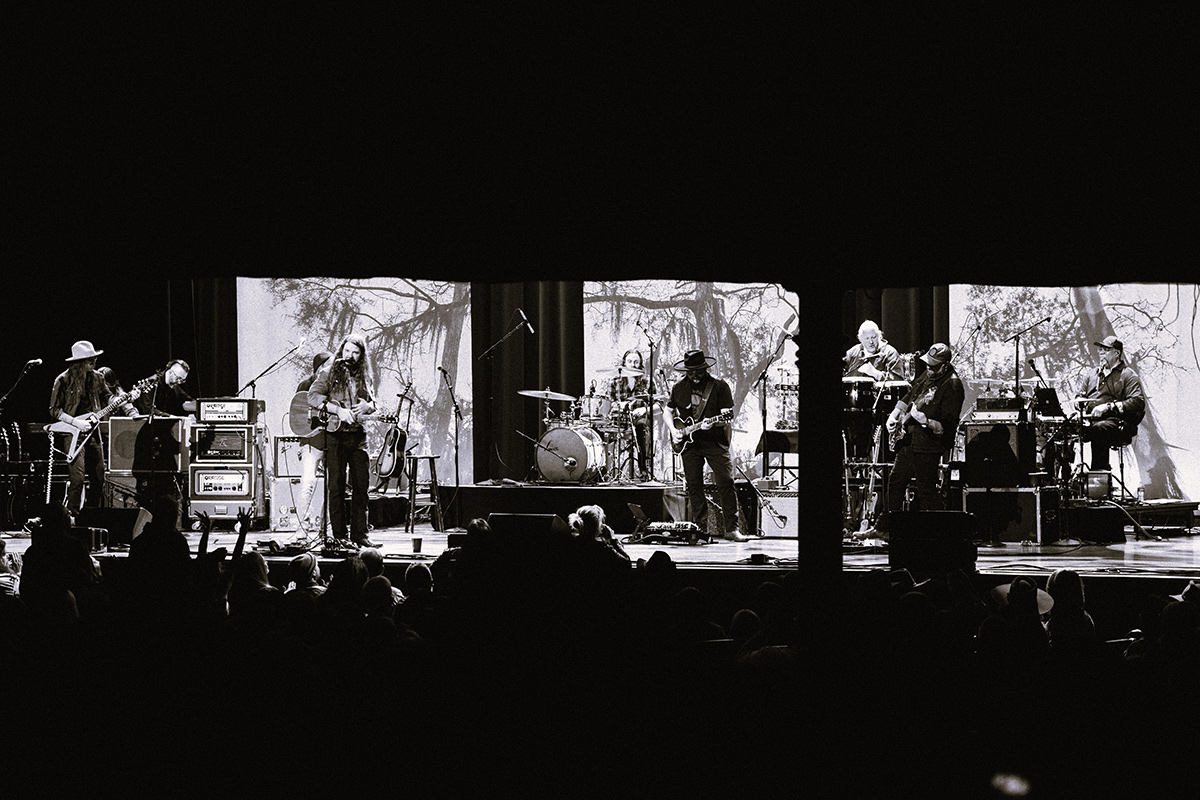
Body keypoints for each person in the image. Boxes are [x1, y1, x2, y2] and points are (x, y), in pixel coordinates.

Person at [48, 340, 139, 519]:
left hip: (93, 432)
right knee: (78, 479)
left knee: (99, 478)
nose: (94, 363)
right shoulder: (63, 380)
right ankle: (73, 516)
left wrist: (124, 399)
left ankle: (90, 514)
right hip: (73, 433)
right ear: (79, 362)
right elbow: (54, 410)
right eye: (90, 360)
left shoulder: (97, 377)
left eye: (94, 359)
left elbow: (108, 397)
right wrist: (76, 423)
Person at [666, 349, 746, 541]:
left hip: (715, 442)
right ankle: (701, 528)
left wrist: (714, 422)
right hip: (689, 444)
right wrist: (674, 430)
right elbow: (667, 412)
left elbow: (727, 415)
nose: (694, 376)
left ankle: (731, 529)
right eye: (690, 372)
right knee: (694, 485)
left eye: (698, 371)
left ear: (705, 368)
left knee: (726, 481)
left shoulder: (719, 386)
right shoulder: (678, 387)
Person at [881, 343, 966, 521]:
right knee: (895, 482)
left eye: (933, 366)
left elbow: (947, 426)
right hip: (909, 439)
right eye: (928, 364)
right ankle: (886, 527)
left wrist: (925, 421)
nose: (928, 369)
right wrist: (894, 414)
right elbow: (910, 394)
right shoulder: (928, 375)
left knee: (926, 489)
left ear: (944, 365)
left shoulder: (952, 385)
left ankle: (939, 531)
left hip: (929, 444)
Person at [308, 334, 378, 548]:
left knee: (361, 487)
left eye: (355, 352)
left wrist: (369, 406)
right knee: (336, 487)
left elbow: (374, 402)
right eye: (347, 351)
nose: (350, 356)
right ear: (341, 351)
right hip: (335, 436)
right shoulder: (328, 372)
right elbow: (312, 396)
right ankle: (339, 537)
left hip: (358, 436)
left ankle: (360, 535)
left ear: (361, 355)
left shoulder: (365, 375)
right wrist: (338, 410)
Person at [1077, 335, 1145, 471]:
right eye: (1100, 350)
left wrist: (1108, 407)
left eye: (1106, 350)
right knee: (1059, 431)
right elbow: (1080, 395)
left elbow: (1138, 402)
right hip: (1091, 420)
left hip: (1118, 422)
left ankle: (1098, 476)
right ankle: (1058, 482)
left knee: (1099, 429)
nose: (1101, 353)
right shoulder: (1092, 374)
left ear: (1117, 353)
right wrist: (1079, 402)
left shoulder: (1128, 375)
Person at [296, 351, 333, 532]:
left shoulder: (336, 385)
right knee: (307, 484)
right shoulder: (305, 385)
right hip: (311, 442)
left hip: (333, 441)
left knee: (332, 487)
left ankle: (325, 528)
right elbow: (298, 411)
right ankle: (302, 528)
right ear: (319, 368)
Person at [607, 349, 651, 479]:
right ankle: (605, 470)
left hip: (639, 419)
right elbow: (609, 402)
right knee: (604, 430)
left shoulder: (646, 381)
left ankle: (643, 470)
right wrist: (618, 405)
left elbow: (659, 405)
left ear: (640, 364)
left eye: (636, 362)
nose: (633, 364)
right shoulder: (615, 381)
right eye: (630, 361)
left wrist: (644, 410)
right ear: (624, 363)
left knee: (641, 427)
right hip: (619, 419)